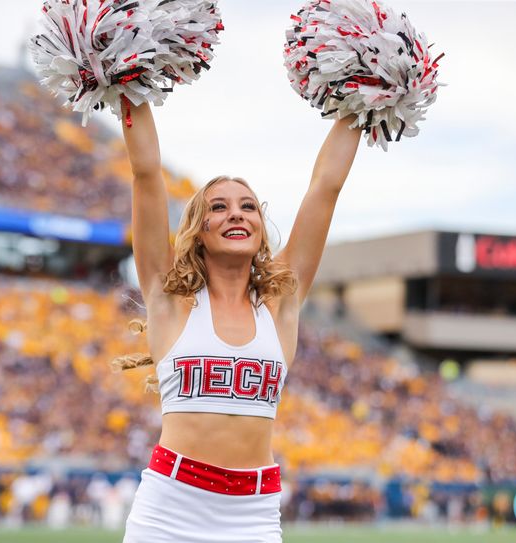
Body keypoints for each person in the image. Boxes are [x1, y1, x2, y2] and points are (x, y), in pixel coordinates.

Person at [115, 102, 361, 542]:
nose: (237, 213)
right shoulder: (170, 302)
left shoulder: (281, 305)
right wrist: (128, 82)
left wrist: (362, 98)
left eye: (248, 206)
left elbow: (326, 187)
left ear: (261, 229)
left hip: (253, 514)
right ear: (198, 228)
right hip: (169, 510)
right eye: (220, 207)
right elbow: (146, 174)